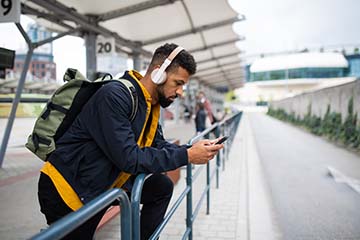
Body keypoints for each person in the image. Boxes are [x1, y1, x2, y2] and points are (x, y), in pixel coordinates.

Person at [37, 43, 224, 240]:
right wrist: (187, 156)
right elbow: (129, 159)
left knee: (161, 187)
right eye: (178, 83)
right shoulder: (115, 96)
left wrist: (192, 149)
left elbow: (157, 144)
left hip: (100, 184)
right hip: (67, 189)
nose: (180, 92)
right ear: (158, 73)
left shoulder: (150, 104)